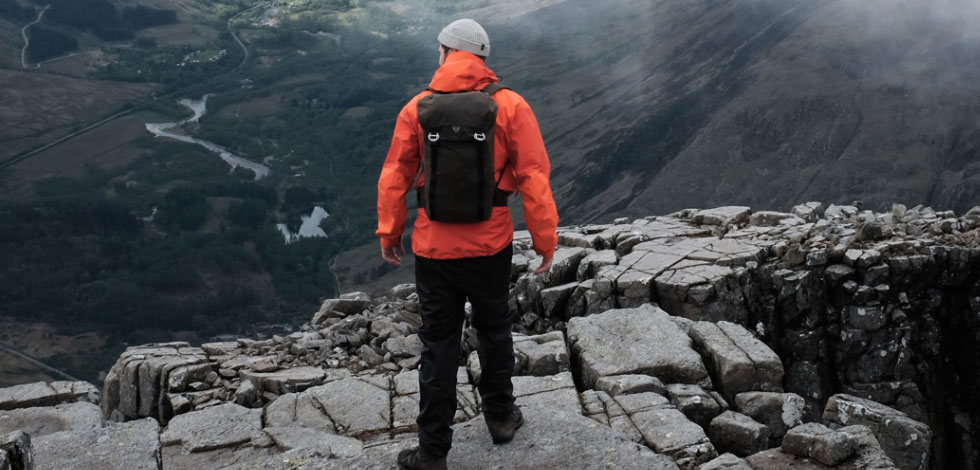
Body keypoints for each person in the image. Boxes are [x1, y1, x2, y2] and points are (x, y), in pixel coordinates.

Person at [376, 18, 559, 470]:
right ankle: (500, 417)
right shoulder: (510, 105)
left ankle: (432, 452)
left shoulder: (417, 108)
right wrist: (544, 240)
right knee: (494, 331)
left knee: (438, 345)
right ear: (482, 60)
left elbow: (395, 176)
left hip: (434, 251)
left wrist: (389, 231)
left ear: (444, 53)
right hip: (491, 246)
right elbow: (534, 177)